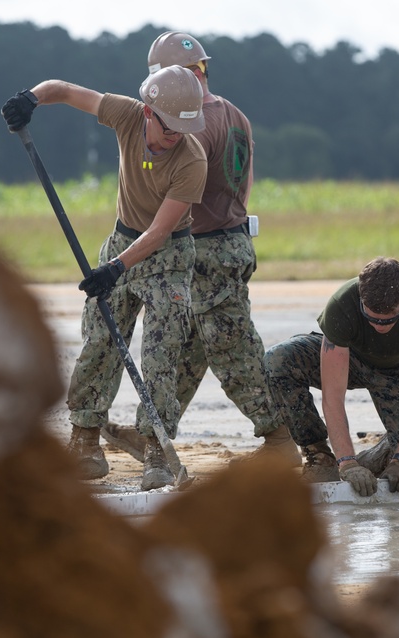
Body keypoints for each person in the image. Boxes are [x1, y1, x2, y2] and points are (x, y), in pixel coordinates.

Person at [1, 64, 207, 490]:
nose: (175, 139)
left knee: (161, 354)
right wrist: (31, 99)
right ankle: (86, 442)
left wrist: (115, 270)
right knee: (99, 342)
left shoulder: (192, 159)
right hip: (121, 241)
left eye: (182, 131)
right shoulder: (127, 115)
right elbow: (65, 89)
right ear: (149, 112)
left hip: (167, 256)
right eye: (169, 129)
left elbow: (159, 232)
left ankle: (156, 449)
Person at [101, 31, 298, 467]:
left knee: (233, 348)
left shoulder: (190, 126)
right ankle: (157, 432)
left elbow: (172, 200)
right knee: (186, 347)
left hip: (204, 248)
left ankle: (280, 437)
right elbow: (244, 186)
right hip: (234, 237)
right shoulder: (236, 116)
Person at [263, 257, 399, 496]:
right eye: (371, 317)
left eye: (389, 320)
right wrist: (347, 462)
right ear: (361, 299)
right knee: (278, 360)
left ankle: (387, 451)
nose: (379, 325)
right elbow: (333, 398)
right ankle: (320, 457)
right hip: (350, 361)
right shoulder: (342, 304)